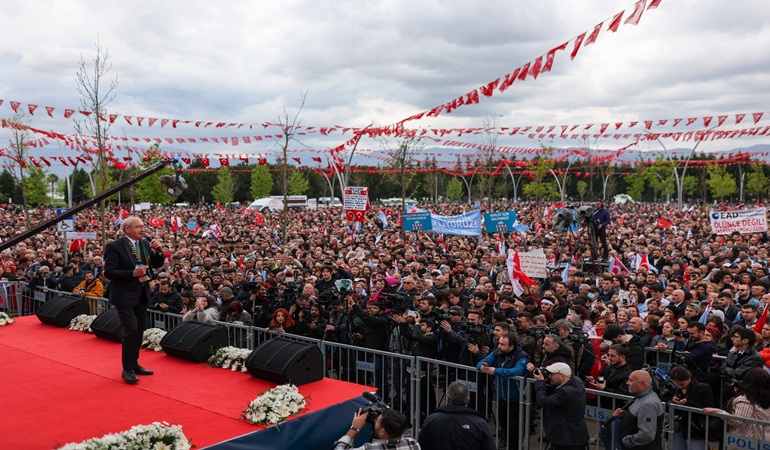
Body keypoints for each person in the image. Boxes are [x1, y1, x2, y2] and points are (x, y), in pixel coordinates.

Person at [103, 216, 165, 384]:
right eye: (138, 227)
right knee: (130, 329)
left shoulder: (144, 243)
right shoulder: (114, 247)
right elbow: (109, 272)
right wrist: (132, 274)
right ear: (127, 229)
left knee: (139, 331)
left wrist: (159, 252)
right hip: (124, 295)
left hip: (142, 293)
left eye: (143, 226)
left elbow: (156, 264)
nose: (142, 229)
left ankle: (135, 363)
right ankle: (127, 369)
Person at [477, 332, 529, 449]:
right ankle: (506, 441)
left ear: (511, 347)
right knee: (503, 425)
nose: (499, 346)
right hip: (501, 397)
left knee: (514, 430)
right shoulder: (498, 352)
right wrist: (482, 367)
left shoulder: (522, 356)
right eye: (499, 343)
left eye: (502, 344)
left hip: (516, 399)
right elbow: (483, 361)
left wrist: (495, 371)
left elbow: (517, 371)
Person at [417, 381, 495, 450]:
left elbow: (421, 446)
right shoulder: (480, 424)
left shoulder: (432, 420)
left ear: (447, 399)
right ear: (468, 400)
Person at [532, 362, 589, 450]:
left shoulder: (565, 392)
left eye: (552, 374)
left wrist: (540, 382)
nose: (549, 376)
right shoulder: (577, 382)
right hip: (575, 436)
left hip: (566, 439)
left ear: (562, 377)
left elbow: (542, 401)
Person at [703, 368, 770, 441]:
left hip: (745, 441)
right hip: (764, 440)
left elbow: (738, 421)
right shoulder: (765, 399)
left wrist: (719, 412)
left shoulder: (745, 400)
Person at [613, 370, 664, 450]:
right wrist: (625, 415)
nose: (627, 383)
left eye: (631, 380)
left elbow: (647, 435)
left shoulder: (648, 404)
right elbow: (639, 418)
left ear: (641, 384)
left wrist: (627, 441)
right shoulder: (641, 396)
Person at [668, 365, 713, 450]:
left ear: (689, 378)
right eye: (677, 384)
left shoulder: (703, 389)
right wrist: (670, 401)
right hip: (677, 427)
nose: (680, 386)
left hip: (695, 430)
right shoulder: (673, 389)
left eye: (682, 384)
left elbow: (708, 408)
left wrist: (687, 403)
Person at [333, 408, 420, 450]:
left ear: (382, 431)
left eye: (377, 421)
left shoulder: (369, 448)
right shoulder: (413, 443)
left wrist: (355, 428)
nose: (375, 422)